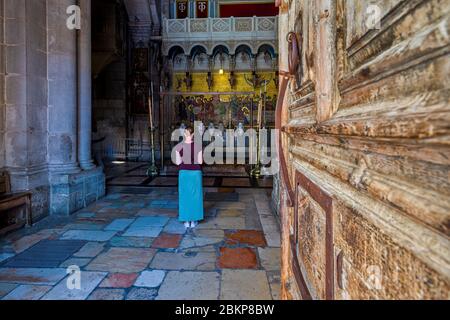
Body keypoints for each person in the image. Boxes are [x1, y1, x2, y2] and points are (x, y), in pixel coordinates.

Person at [175, 126, 204, 229]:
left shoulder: (178, 147)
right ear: (192, 135)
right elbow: (200, 162)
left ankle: (186, 221)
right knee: (195, 196)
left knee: (184, 196)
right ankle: (194, 220)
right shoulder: (198, 146)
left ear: (184, 134)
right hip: (195, 172)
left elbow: (178, 162)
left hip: (184, 172)